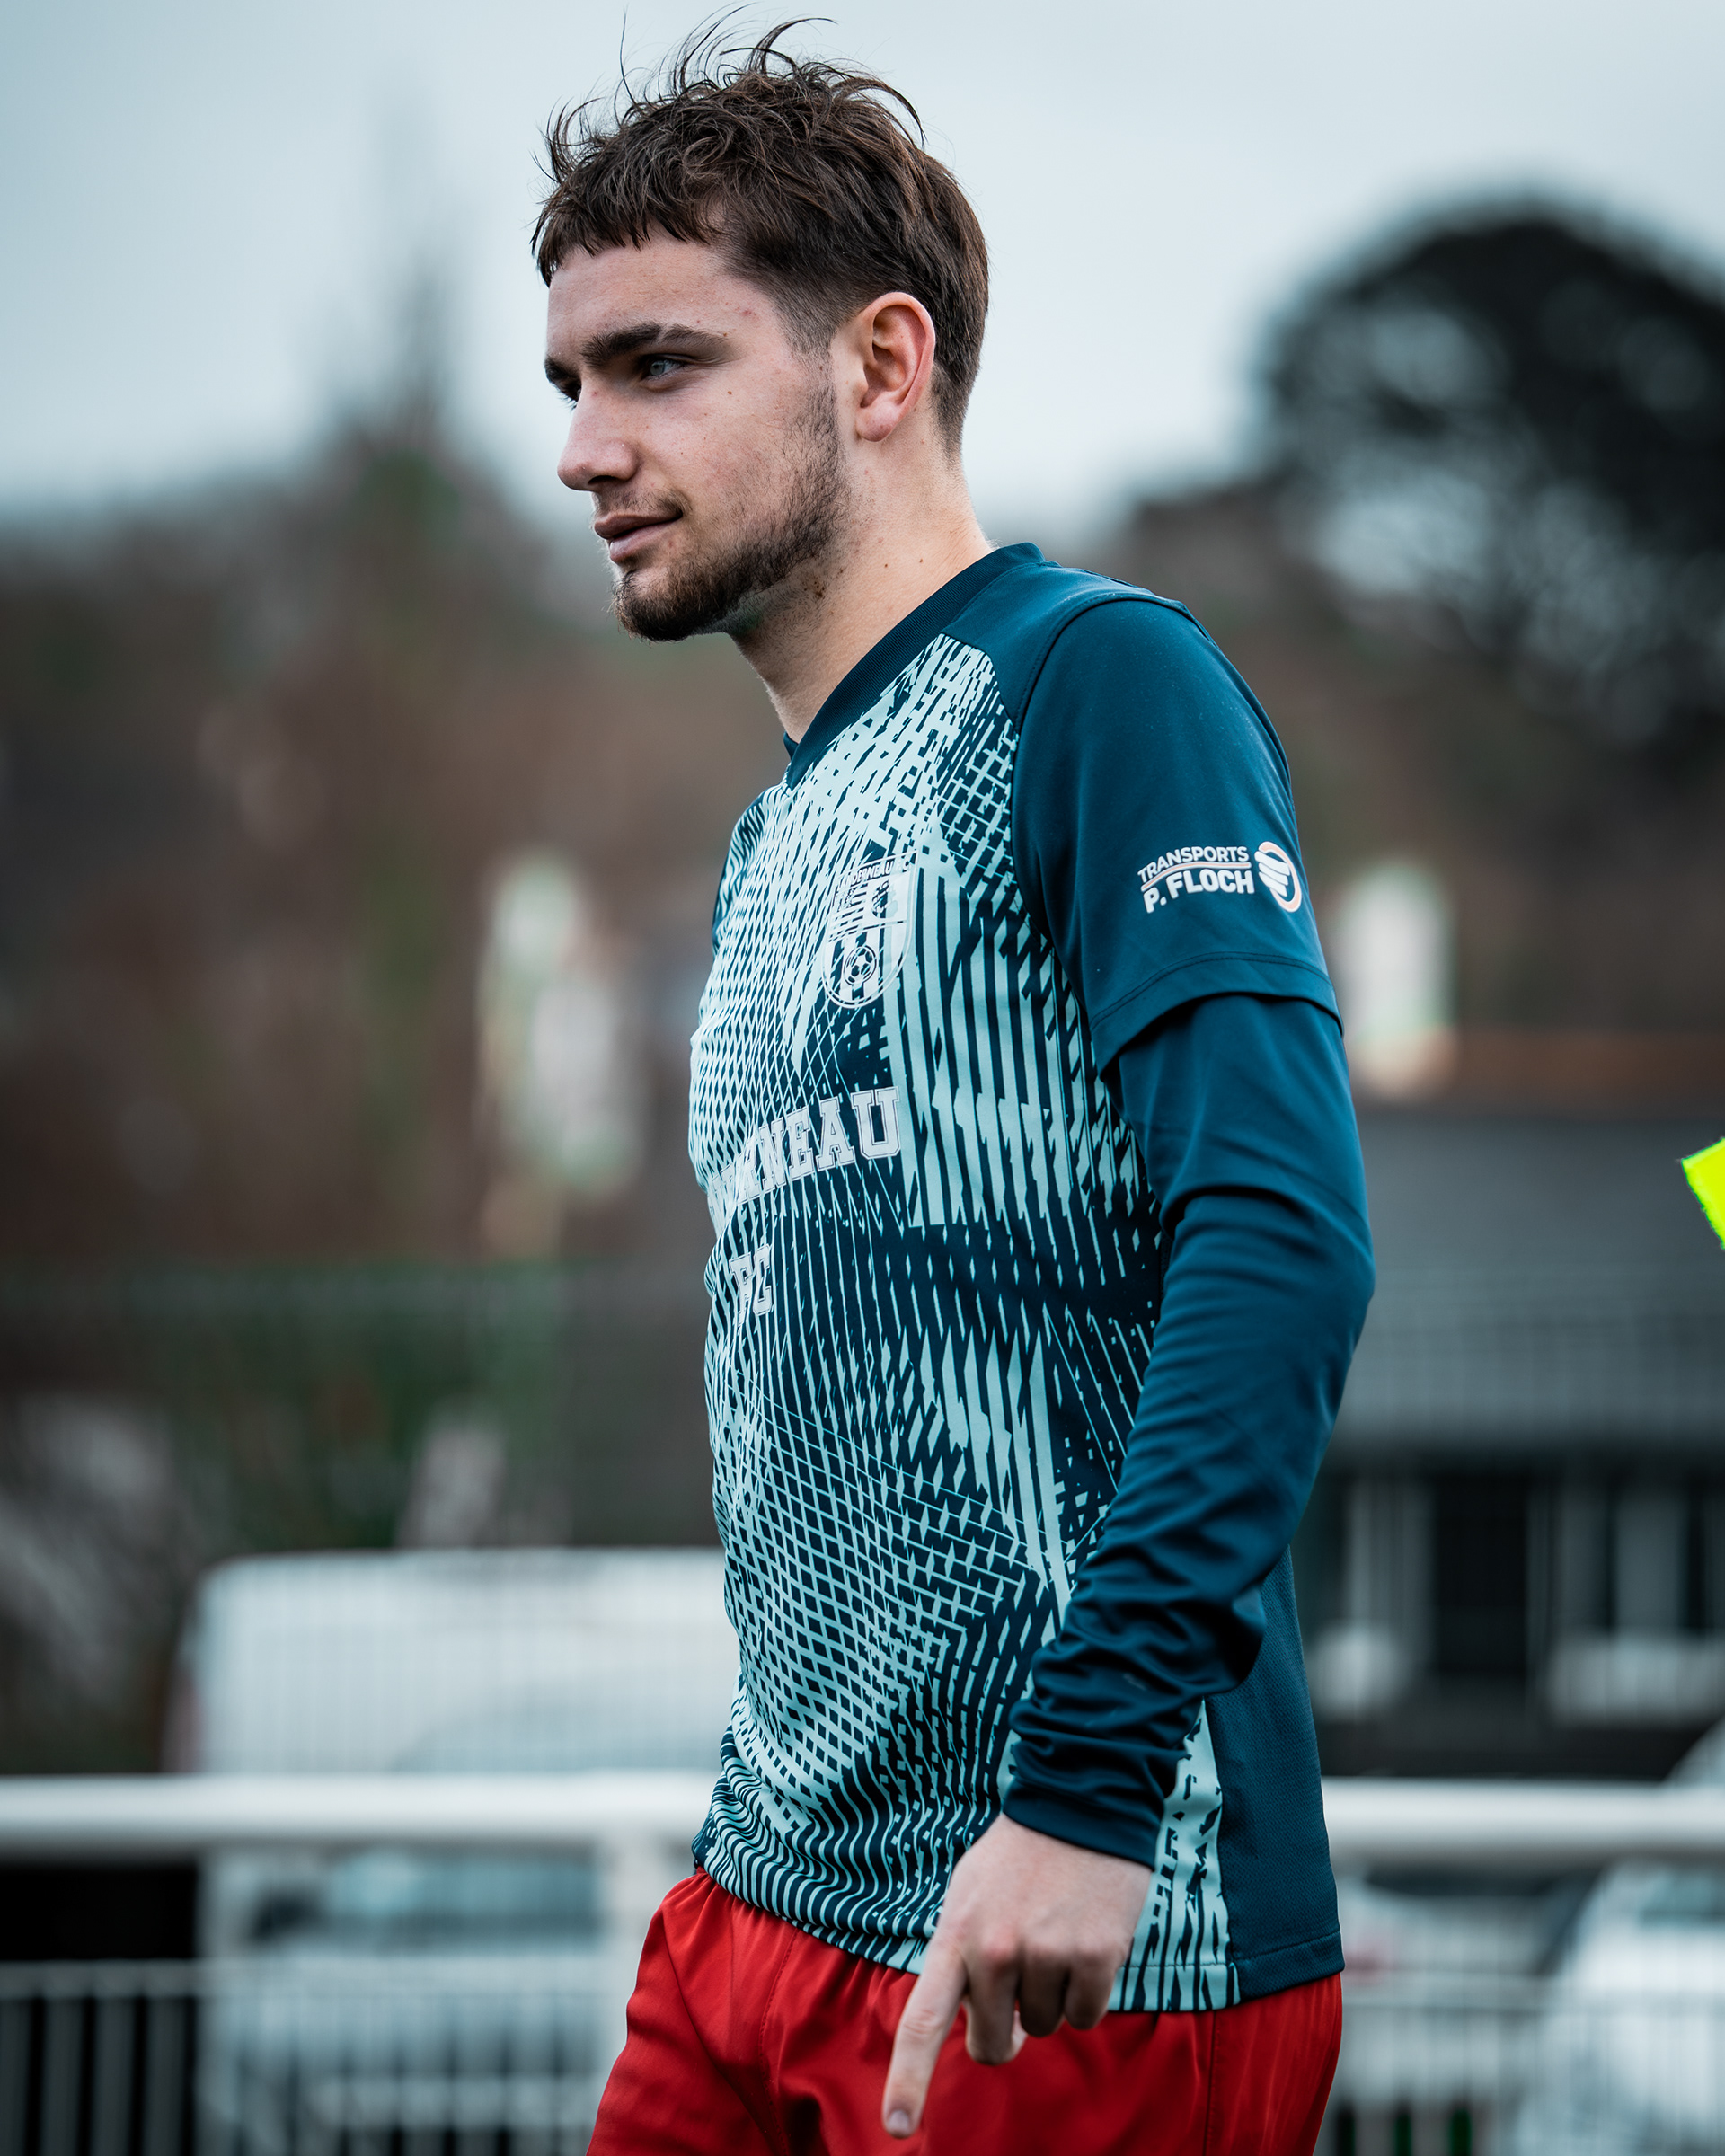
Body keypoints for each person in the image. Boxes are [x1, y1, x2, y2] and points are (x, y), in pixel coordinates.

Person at [535, 33, 1374, 2156]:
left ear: (882, 366)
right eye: (570, 383)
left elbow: (1284, 1240)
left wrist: (1085, 1796)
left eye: (656, 365)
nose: (585, 447)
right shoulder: (767, 843)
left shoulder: (1103, 685)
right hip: (756, 1908)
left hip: (1065, 1943)